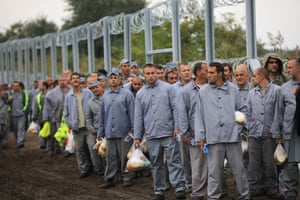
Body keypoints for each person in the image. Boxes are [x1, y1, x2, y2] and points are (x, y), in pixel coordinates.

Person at [195, 62, 250, 200]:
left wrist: (238, 128)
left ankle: (245, 195)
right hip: (213, 137)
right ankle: (213, 197)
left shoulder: (233, 89)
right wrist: (201, 137)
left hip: (232, 137)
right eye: (207, 72)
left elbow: (242, 110)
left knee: (239, 169)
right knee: (214, 171)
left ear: (220, 74)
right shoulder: (203, 92)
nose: (208, 75)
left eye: (211, 72)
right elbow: (199, 115)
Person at [134, 63, 186, 200]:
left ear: (157, 74)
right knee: (156, 163)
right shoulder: (140, 94)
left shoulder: (168, 89)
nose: (151, 76)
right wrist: (137, 137)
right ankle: (159, 190)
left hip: (168, 132)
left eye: (153, 73)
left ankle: (179, 187)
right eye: (148, 74)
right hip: (151, 135)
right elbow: (138, 116)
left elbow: (176, 108)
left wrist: (177, 127)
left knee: (173, 160)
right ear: (143, 75)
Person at [98, 69, 135, 188]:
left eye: (116, 77)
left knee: (125, 156)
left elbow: (132, 113)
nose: (113, 79)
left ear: (120, 80)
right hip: (109, 131)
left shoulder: (127, 94)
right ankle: (110, 178)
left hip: (124, 131)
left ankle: (127, 177)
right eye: (111, 77)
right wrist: (101, 131)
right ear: (108, 80)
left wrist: (134, 131)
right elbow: (102, 115)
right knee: (110, 157)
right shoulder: (105, 96)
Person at [246, 67, 280, 198]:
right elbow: (248, 112)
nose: (252, 78)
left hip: (269, 134)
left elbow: (278, 112)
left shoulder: (277, 91)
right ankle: (254, 188)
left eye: (254, 76)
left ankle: (272, 189)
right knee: (254, 163)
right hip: (254, 134)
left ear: (262, 77)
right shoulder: (251, 93)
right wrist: (249, 127)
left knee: (269, 163)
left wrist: (275, 130)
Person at [178, 62, 208, 200]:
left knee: (212, 165)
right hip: (195, 135)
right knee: (198, 166)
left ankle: (213, 191)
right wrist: (185, 134)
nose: (209, 72)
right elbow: (182, 113)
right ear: (198, 73)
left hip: (212, 135)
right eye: (206, 70)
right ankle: (198, 193)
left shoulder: (210, 87)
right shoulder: (186, 91)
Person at [274, 58, 300, 200]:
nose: (287, 70)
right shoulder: (284, 89)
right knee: (290, 165)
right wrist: (278, 132)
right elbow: (279, 112)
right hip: (290, 133)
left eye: (290, 67)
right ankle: (290, 193)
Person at [64, 72, 94, 178]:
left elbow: (93, 106)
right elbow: (66, 114)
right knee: (80, 150)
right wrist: (71, 124)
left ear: (80, 80)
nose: (76, 80)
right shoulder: (68, 96)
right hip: (77, 129)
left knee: (92, 147)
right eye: (74, 78)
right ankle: (83, 169)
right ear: (71, 81)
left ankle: (95, 167)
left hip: (89, 127)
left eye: (77, 78)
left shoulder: (88, 93)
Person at [173, 62, 193, 192]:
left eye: (188, 70)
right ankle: (188, 182)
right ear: (179, 73)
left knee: (203, 154)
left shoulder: (196, 86)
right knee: (184, 157)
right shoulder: (174, 88)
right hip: (181, 129)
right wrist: (176, 127)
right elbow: (174, 110)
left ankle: (202, 181)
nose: (186, 72)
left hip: (197, 129)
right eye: (184, 70)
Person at [44, 75, 70, 156]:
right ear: (58, 82)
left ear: (67, 81)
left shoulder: (71, 90)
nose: (62, 82)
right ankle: (53, 149)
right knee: (56, 133)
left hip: (69, 117)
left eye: (64, 80)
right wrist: (52, 113)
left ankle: (66, 150)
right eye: (60, 80)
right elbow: (47, 102)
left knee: (66, 134)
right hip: (57, 117)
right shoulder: (53, 92)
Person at [85, 80, 106, 176]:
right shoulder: (90, 103)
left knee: (107, 151)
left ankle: (108, 169)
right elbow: (88, 118)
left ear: (101, 87)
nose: (95, 90)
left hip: (108, 130)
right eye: (92, 88)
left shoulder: (108, 98)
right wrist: (92, 129)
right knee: (93, 148)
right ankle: (99, 169)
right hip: (96, 130)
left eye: (96, 87)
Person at [9, 81, 29, 148]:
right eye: (14, 86)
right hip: (14, 114)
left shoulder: (23, 93)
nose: (15, 87)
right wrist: (9, 100)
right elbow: (6, 103)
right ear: (12, 87)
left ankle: (19, 141)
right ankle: (17, 139)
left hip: (21, 114)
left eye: (17, 86)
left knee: (21, 128)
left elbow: (27, 102)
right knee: (15, 129)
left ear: (19, 86)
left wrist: (24, 110)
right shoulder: (10, 94)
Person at [32, 80, 49, 149]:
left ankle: (46, 144)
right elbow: (36, 107)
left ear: (44, 86)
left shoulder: (49, 94)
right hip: (41, 115)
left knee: (46, 130)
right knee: (42, 129)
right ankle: (43, 143)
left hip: (47, 116)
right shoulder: (39, 95)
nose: (39, 86)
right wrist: (35, 116)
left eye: (40, 85)